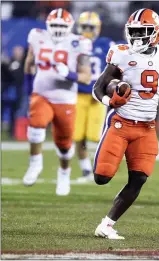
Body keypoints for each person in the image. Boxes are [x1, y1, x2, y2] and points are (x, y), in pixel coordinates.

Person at [92, 8, 159, 239]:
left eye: (143, 31)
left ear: (157, 32)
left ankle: (107, 225)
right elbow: (98, 87)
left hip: (146, 127)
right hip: (120, 122)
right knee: (102, 177)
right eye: (134, 31)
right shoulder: (120, 53)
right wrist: (109, 100)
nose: (138, 36)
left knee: (139, 177)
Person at [22, 8, 92, 196]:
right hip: (41, 94)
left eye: (62, 25)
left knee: (64, 144)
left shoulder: (79, 43)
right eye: (55, 25)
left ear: (69, 26)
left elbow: (86, 77)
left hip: (65, 98)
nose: (58, 29)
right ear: (48, 25)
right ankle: (35, 164)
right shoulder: (37, 37)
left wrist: (68, 74)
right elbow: (29, 63)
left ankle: (64, 173)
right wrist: (30, 90)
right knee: (36, 126)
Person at [74, 11, 114, 182]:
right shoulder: (73, 44)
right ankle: (85, 169)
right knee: (77, 136)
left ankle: (104, 165)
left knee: (96, 135)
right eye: (85, 27)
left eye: (91, 27)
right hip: (78, 94)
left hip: (97, 96)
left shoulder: (106, 44)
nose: (88, 31)